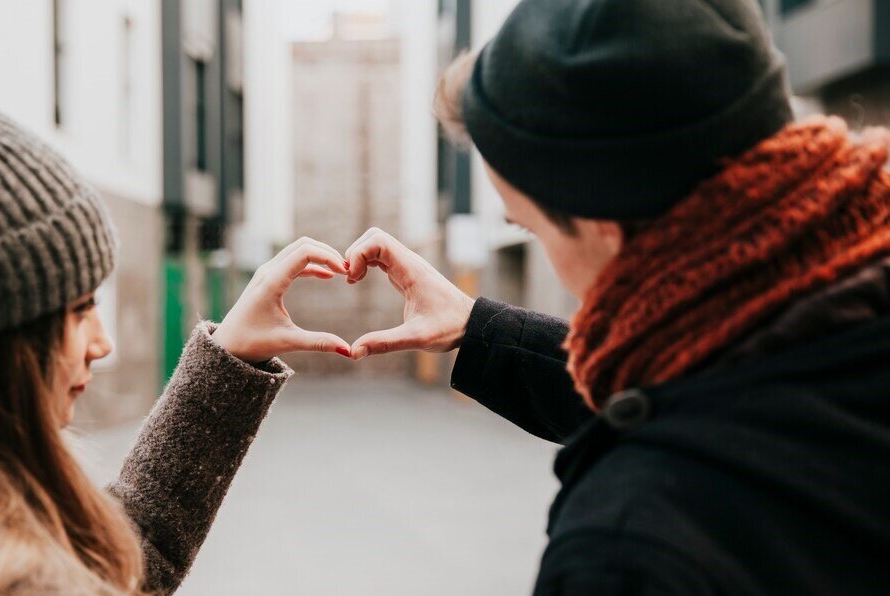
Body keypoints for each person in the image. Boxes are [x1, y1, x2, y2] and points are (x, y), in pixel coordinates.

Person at [343, 0, 890, 593]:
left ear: (603, 220)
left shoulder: (635, 550)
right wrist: (479, 327)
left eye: (531, 227)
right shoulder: (851, 302)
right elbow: (735, 394)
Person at [0, 14, 352, 595]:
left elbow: (119, 563)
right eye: (77, 309)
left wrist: (227, 358)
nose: (102, 344)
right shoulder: (1, 579)